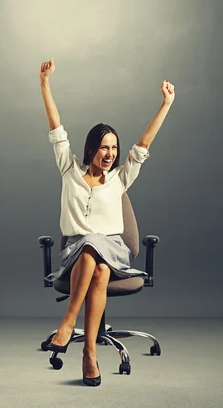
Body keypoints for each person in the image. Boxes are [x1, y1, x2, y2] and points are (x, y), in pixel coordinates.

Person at [39, 58, 175, 386]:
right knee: (90, 253)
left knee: (97, 248)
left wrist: (166, 105)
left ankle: (69, 324)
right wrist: (44, 83)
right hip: (76, 252)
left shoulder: (120, 179)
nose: (111, 153)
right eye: (104, 147)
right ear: (91, 149)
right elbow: (56, 129)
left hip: (114, 251)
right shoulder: (69, 171)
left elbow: (143, 145)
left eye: (114, 147)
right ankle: (89, 353)